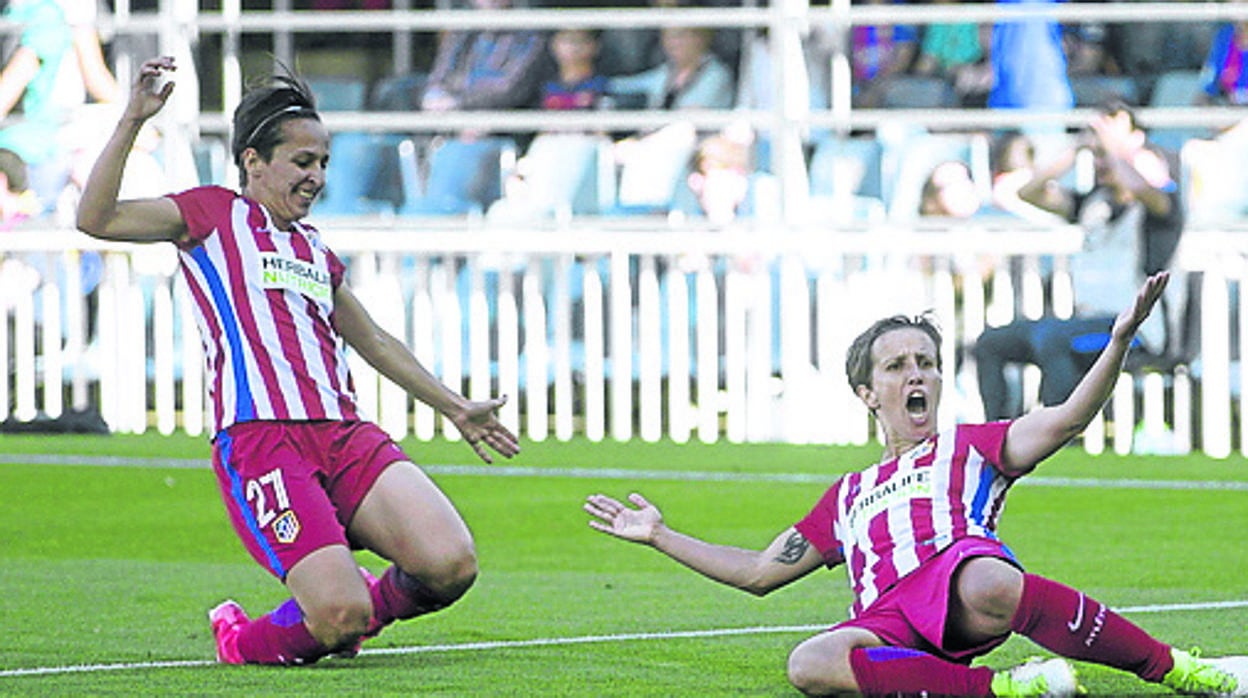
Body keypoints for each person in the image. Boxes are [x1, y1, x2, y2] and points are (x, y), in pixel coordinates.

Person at [585, 273, 1248, 697]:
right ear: (867, 392)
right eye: (898, 366)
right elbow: (760, 571)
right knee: (811, 662)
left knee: (988, 579)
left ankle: (1180, 669)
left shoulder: (975, 446)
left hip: (959, 580)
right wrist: (660, 535)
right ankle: (1006, 690)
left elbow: (1070, 416)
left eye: (927, 363)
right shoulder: (846, 496)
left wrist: (1119, 343)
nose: (917, 377)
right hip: (890, 619)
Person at [76, 56, 521, 666]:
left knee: (451, 565)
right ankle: (244, 639)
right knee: (338, 621)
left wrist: (456, 407)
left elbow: (376, 342)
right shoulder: (210, 215)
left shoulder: (315, 250)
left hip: (344, 436)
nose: (316, 177)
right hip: (262, 440)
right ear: (254, 162)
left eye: (324, 164)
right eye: (303, 162)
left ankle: (353, 607)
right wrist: (131, 119)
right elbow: (95, 219)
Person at [974, 101, 1184, 421]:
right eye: (1097, 149)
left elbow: (1144, 188)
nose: (1101, 157)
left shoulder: (1161, 206)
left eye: (1108, 145)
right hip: (1085, 321)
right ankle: (1000, 434)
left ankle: (1054, 440)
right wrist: (1076, 148)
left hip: (1136, 329)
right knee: (991, 342)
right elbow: (1029, 192)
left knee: (1053, 341)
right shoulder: (1092, 202)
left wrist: (1115, 150)